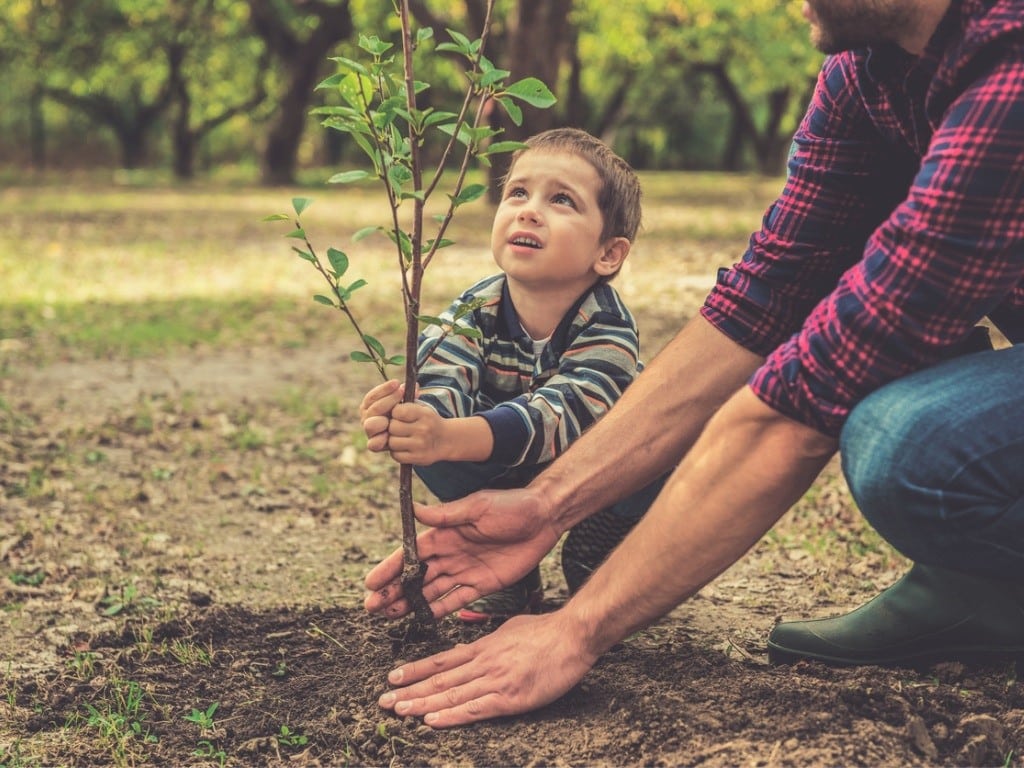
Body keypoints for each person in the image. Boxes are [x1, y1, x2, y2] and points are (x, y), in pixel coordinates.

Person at [363, 0, 1024, 727]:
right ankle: (984, 587)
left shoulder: (1010, 60)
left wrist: (577, 628)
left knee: (906, 445)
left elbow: (804, 402)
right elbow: (763, 301)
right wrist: (546, 504)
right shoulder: (862, 72)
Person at [359, 127, 663, 623]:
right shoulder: (476, 307)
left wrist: (455, 435)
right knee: (434, 447)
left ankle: (605, 537)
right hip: (504, 464)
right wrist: (414, 420)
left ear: (608, 253)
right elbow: (442, 374)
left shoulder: (607, 325)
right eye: (517, 192)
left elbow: (563, 416)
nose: (528, 209)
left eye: (561, 200)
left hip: (594, 472)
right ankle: (511, 570)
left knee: (661, 449)